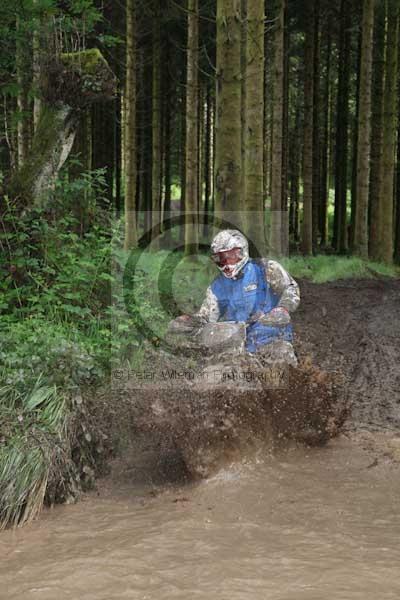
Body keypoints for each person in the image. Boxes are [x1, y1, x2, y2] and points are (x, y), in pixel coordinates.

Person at [180, 229, 300, 365]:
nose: (225, 263)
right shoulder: (217, 287)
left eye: (230, 256)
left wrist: (283, 309)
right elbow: (207, 315)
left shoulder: (266, 269)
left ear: (242, 252)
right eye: (220, 259)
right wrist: (189, 322)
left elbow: (290, 288)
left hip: (272, 338)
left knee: (282, 361)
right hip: (237, 347)